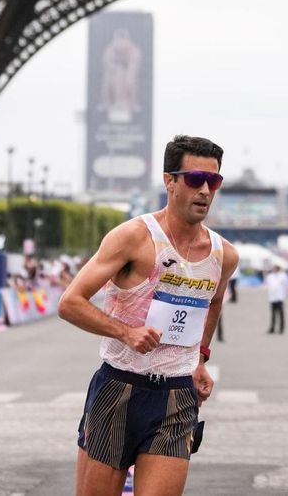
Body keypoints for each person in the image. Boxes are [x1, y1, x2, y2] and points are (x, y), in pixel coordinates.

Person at [58, 135, 237, 496]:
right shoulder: (134, 238)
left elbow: (214, 300)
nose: (205, 190)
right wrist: (126, 332)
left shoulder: (223, 255)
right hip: (119, 386)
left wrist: (200, 357)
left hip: (176, 394)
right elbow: (70, 302)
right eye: (194, 179)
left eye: (213, 181)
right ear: (169, 181)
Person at [265, 262, 288, 335]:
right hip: (272, 297)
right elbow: (268, 285)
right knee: (273, 314)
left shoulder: (283, 276)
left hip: (280, 297)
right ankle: (272, 328)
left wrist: (285, 294)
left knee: (281, 313)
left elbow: (287, 286)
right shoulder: (270, 276)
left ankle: (281, 328)